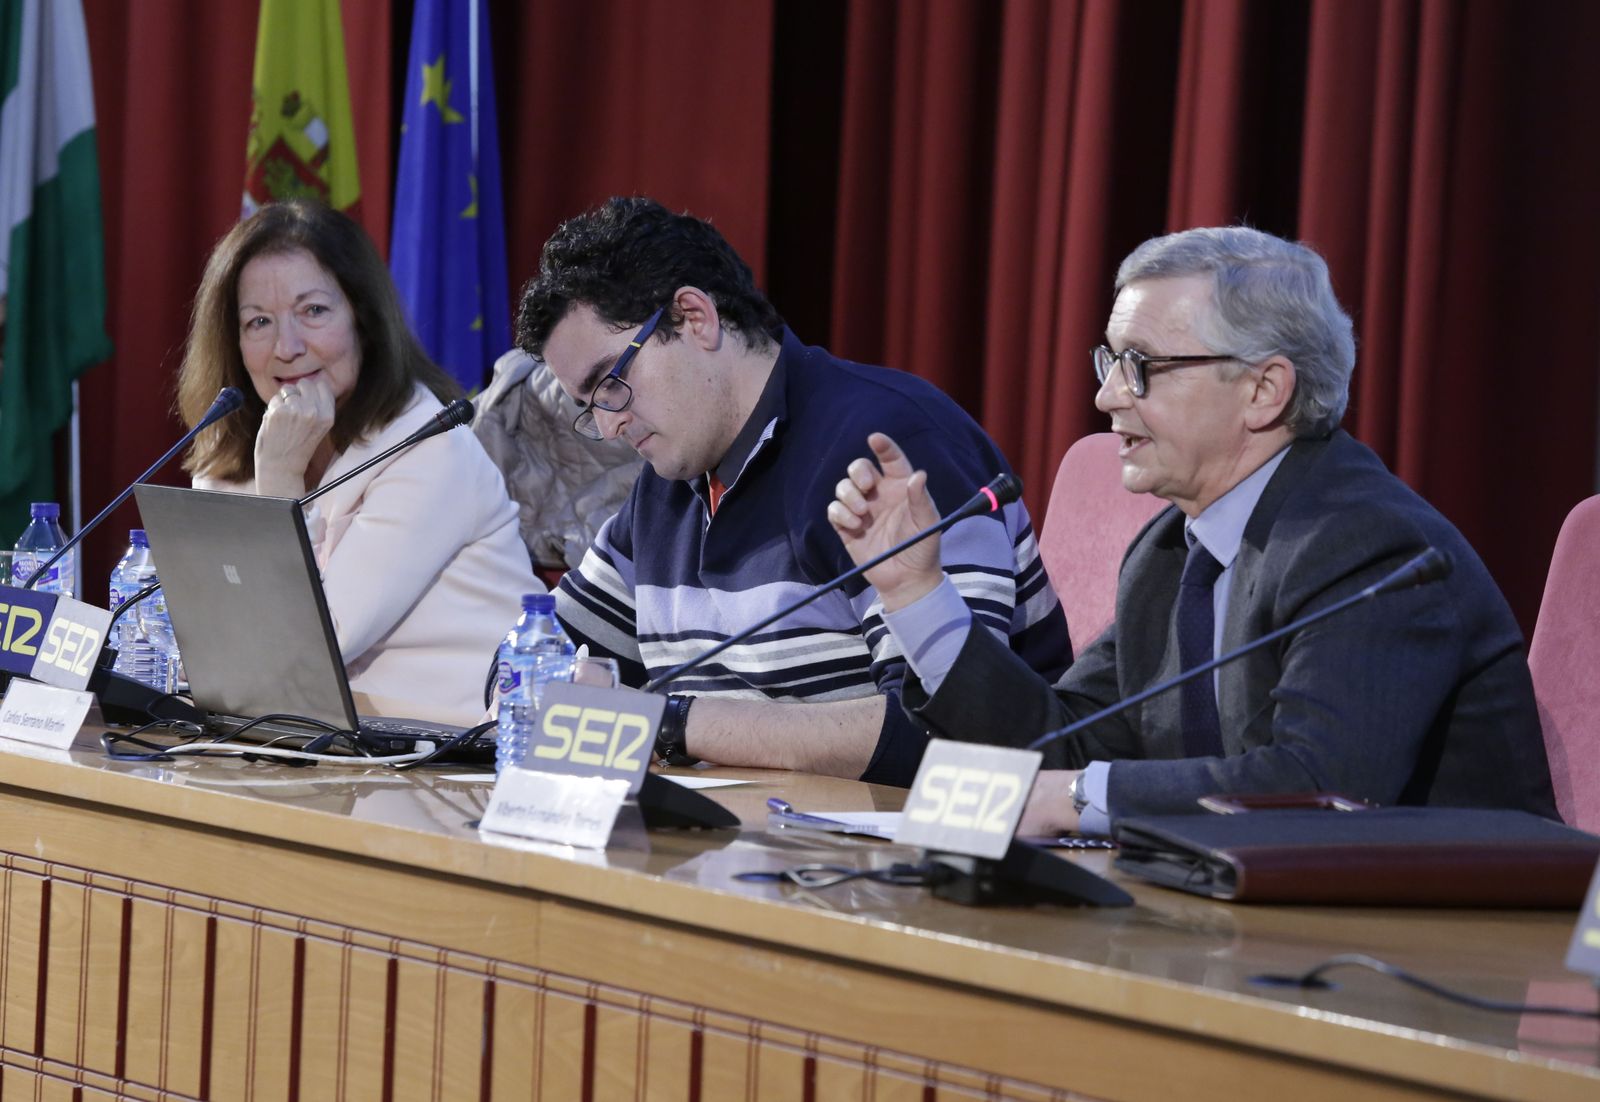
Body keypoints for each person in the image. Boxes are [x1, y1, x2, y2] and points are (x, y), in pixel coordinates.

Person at [829, 226, 1557, 829]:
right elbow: (1062, 742)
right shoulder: (1171, 552)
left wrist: (1081, 799)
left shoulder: (1368, 544)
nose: (1107, 394)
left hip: (1449, 964)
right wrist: (918, 593)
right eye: (1110, 361)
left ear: (1264, 391)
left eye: (1141, 366)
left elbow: (1320, 788)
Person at [514, 197, 1070, 785]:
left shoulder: (890, 446)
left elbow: (944, 729)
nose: (607, 425)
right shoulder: (665, 489)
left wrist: (675, 724)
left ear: (694, 317)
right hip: (746, 849)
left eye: (609, 383)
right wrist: (534, 687)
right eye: (588, 407)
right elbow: (533, 660)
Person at [177, 199, 536, 725]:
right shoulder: (235, 451)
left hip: (455, 755)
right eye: (259, 322)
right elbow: (212, 642)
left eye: (313, 311)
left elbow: (311, 645)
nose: (288, 347)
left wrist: (280, 482)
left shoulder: (431, 446)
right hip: (312, 742)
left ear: (363, 321)